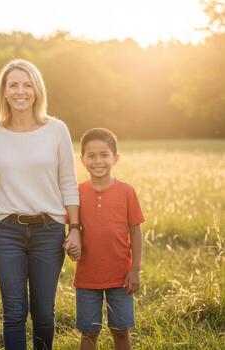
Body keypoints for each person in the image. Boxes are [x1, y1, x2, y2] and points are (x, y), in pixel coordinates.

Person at [0, 59, 81, 350]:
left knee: (42, 312)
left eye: (27, 84)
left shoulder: (56, 129)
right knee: (13, 312)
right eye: (13, 84)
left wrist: (74, 228)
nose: (20, 91)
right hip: (6, 232)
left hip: (48, 231)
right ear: (5, 91)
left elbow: (68, 183)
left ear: (37, 90)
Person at [74, 128, 144, 350]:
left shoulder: (126, 191)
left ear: (116, 158)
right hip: (87, 277)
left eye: (104, 155)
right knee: (89, 332)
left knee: (121, 330)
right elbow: (72, 229)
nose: (98, 161)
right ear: (82, 160)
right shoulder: (76, 193)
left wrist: (135, 269)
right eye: (91, 155)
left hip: (121, 276)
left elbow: (135, 231)